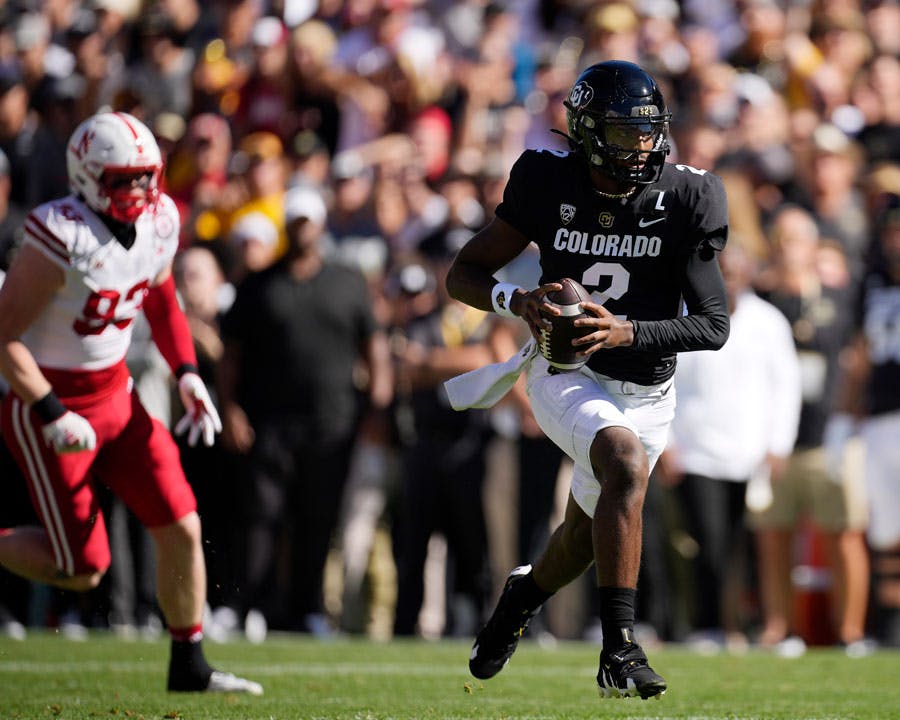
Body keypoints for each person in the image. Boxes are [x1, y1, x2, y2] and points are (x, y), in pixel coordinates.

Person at [444, 61, 730, 699]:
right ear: (590, 133)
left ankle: (524, 594)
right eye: (629, 134)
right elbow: (462, 272)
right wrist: (517, 302)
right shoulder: (546, 180)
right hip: (565, 370)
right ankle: (620, 649)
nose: (646, 147)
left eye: (651, 132)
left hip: (649, 388)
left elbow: (713, 326)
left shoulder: (687, 195)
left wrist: (626, 330)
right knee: (622, 461)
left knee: (583, 535)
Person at [0, 111, 261, 695]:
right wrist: (50, 410)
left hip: (117, 395)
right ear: (88, 177)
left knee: (182, 524)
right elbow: (3, 338)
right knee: (82, 569)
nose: (141, 192)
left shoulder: (162, 219)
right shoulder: (58, 233)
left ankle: (188, 664)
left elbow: (161, 295)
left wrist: (188, 374)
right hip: (51, 402)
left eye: (148, 177)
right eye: (124, 180)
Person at [217, 183, 393, 635]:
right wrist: (229, 408)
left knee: (318, 519)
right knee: (260, 515)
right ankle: (243, 607)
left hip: (332, 424)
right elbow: (231, 354)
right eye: (294, 223)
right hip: (266, 422)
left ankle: (307, 609)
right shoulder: (258, 285)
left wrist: (377, 407)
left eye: (307, 222)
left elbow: (374, 348)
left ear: (319, 225)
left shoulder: (347, 281)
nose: (301, 231)